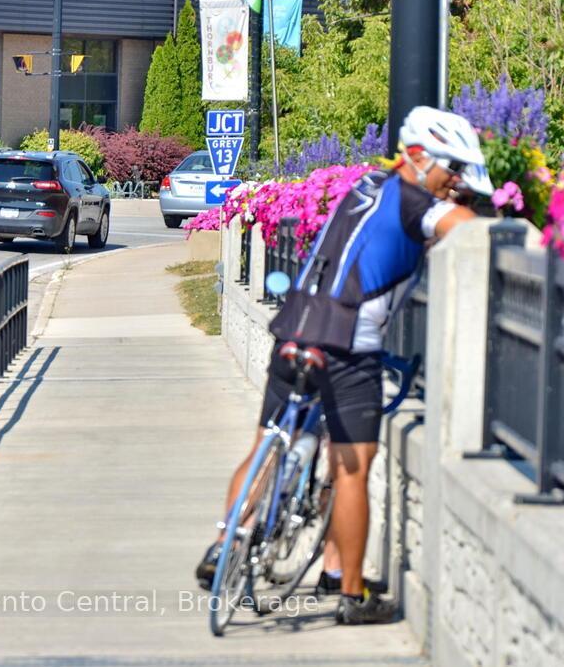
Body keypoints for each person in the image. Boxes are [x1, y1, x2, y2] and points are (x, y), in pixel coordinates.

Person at [195, 106, 493, 625]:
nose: (455, 179)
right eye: (452, 167)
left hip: (296, 327)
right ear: (418, 156)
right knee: (352, 470)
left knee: (266, 441)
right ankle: (351, 596)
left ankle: (226, 545)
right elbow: (471, 232)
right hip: (349, 345)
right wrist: (476, 207)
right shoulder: (415, 204)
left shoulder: (363, 186)